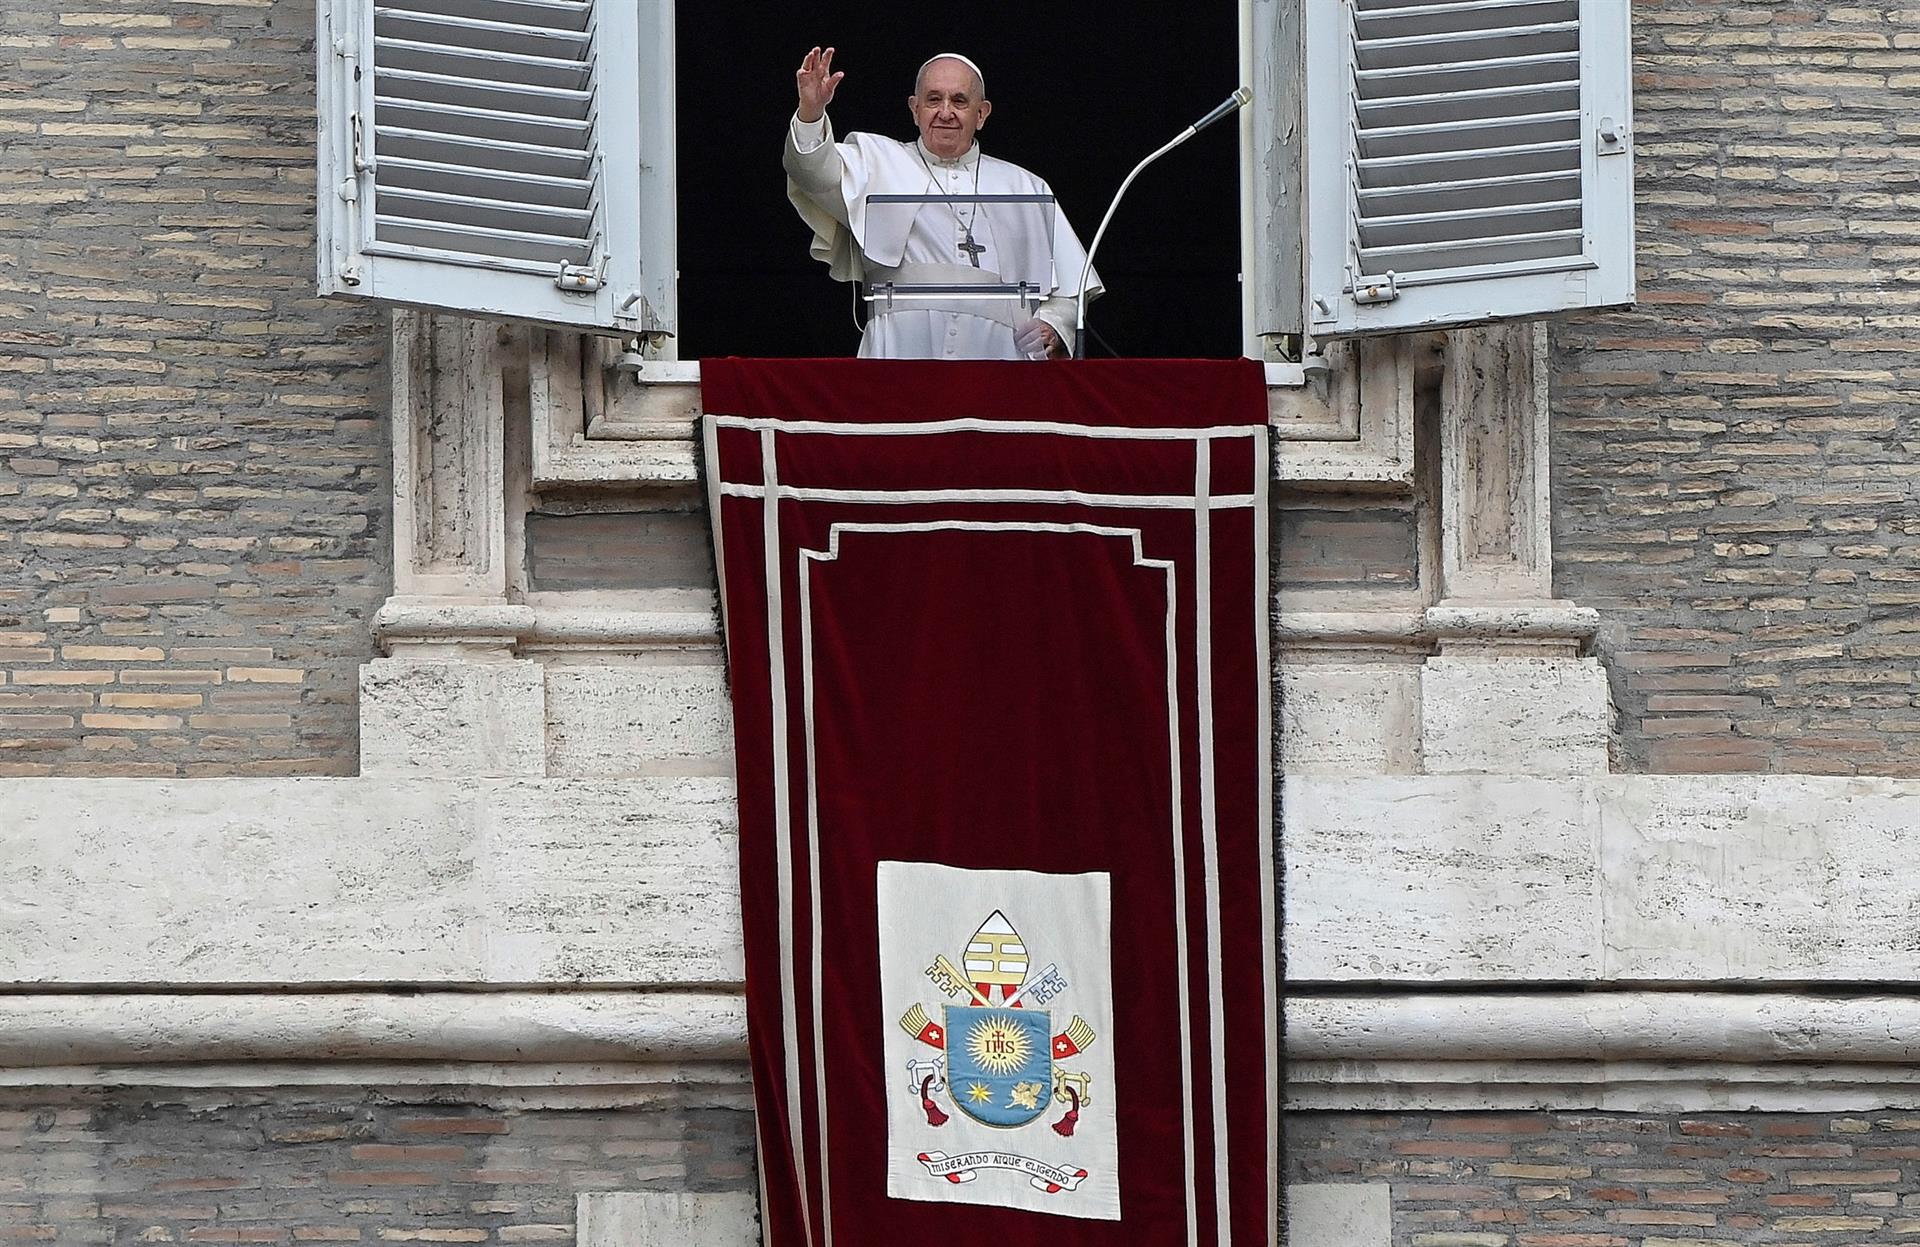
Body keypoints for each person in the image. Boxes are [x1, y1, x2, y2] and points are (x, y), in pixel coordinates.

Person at [784, 47, 1102, 361]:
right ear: (915, 108)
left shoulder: (1026, 186)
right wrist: (811, 113)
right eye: (934, 99)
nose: (945, 112)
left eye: (959, 101)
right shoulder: (875, 160)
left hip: (999, 355)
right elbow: (813, 173)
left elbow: (1071, 285)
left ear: (981, 114)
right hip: (899, 350)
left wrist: (1053, 323)